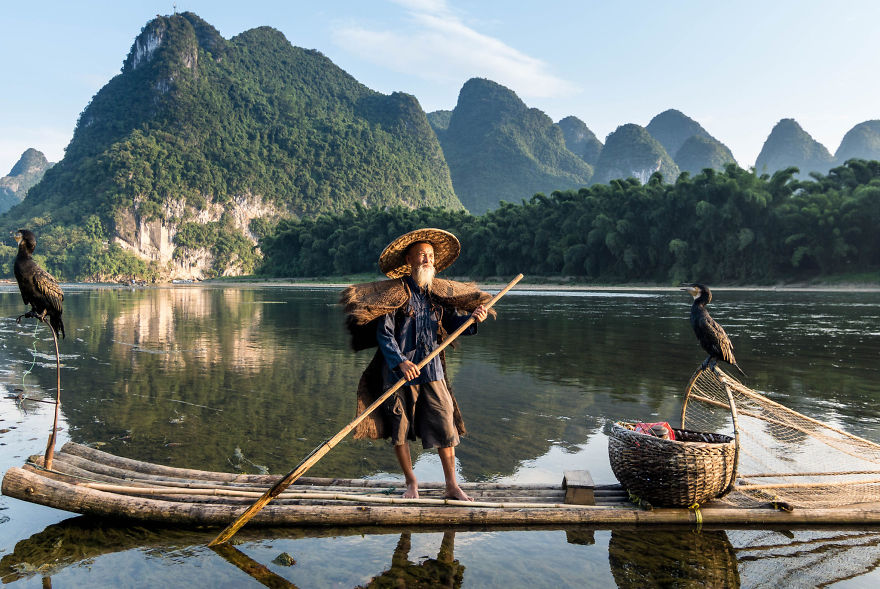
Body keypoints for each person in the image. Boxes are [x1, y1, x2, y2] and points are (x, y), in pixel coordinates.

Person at [340, 228, 492, 501]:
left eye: (430, 256)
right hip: (399, 374)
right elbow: (385, 335)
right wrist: (401, 362)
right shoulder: (394, 294)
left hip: (432, 370)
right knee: (399, 428)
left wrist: (473, 320)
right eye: (421, 255)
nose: (427, 259)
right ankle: (411, 483)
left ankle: (452, 486)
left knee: (445, 424)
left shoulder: (438, 295)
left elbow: (453, 325)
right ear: (408, 260)